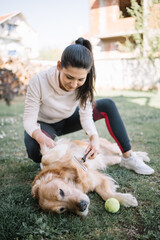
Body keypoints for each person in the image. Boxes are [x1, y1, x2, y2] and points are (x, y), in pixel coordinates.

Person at [23, 37, 154, 175]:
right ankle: (48, 154)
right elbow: (29, 120)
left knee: (108, 105)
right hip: (45, 124)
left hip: (69, 120)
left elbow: (86, 115)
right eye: (69, 77)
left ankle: (128, 157)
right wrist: (41, 137)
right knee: (34, 150)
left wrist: (94, 138)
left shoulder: (85, 84)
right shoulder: (38, 81)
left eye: (80, 79)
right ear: (59, 66)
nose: (74, 85)